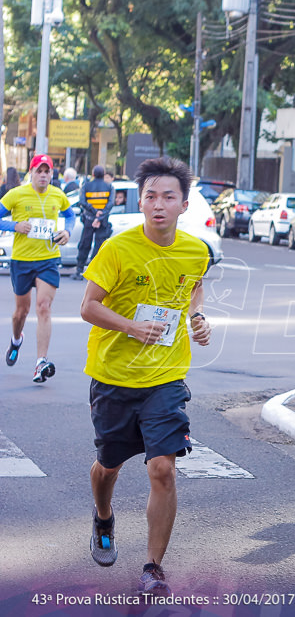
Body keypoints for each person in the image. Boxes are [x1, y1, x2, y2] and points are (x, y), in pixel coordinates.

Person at [80, 156, 212, 597]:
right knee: (109, 467)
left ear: (184, 204)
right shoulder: (117, 248)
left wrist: (197, 318)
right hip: (114, 374)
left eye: (168, 197)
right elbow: (88, 307)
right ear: (140, 201)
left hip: (166, 376)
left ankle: (153, 567)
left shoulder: (196, 250)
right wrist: (133, 327)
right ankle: (103, 517)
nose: (158, 204)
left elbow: (193, 288)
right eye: (150, 196)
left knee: (163, 469)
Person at [0, 154, 75, 382]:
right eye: (39, 171)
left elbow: (70, 216)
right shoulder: (16, 194)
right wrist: (15, 225)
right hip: (22, 261)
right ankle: (16, 340)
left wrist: (67, 232)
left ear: (52, 174)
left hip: (48, 260)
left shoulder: (58, 195)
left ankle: (40, 362)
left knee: (43, 307)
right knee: (20, 313)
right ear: (31, 173)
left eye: (47, 171)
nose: (43, 175)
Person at [72, 165, 115, 281]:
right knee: (99, 246)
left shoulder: (86, 186)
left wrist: (94, 212)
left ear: (93, 174)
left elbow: (82, 202)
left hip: (89, 219)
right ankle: (94, 271)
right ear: (104, 174)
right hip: (102, 221)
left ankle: (79, 270)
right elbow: (110, 204)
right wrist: (100, 215)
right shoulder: (109, 187)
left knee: (84, 244)